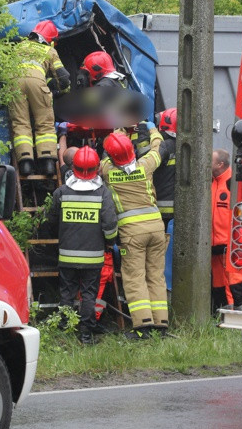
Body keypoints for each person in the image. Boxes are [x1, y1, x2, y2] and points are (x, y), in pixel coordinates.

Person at [101, 124, 169, 339]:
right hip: (157, 228)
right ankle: (162, 324)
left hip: (132, 234)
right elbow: (160, 149)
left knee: (135, 278)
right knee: (156, 276)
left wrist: (118, 131)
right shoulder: (145, 165)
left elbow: (105, 155)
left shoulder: (108, 171)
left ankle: (143, 327)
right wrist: (151, 130)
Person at [46, 146, 118, 344]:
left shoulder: (61, 192)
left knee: (67, 293)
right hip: (93, 256)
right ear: (97, 167)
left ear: (73, 166)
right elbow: (110, 226)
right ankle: (85, 333)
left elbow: (51, 221)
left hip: (66, 255)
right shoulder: (103, 193)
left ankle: (65, 328)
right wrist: (109, 243)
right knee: (89, 295)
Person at [12, 20, 70, 177]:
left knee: (20, 123)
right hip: (38, 84)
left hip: (14, 84)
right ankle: (48, 163)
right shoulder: (49, 51)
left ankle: (25, 163)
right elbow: (63, 78)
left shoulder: (18, 47)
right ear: (49, 39)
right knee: (44, 123)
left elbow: (2, 72)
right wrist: (62, 90)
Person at [211, 148, 242, 311]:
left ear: (220, 164)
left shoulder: (234, 184)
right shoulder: (211, 182)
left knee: (237, 283)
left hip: (231, 244)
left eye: (210, 160)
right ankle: (225, 318)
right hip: (214, 245)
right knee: (219, 285)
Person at [154, 108, 177, 227]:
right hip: (180, 209)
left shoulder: (165, 146)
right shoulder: (189, 147)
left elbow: (148, 164)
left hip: (161, 209)